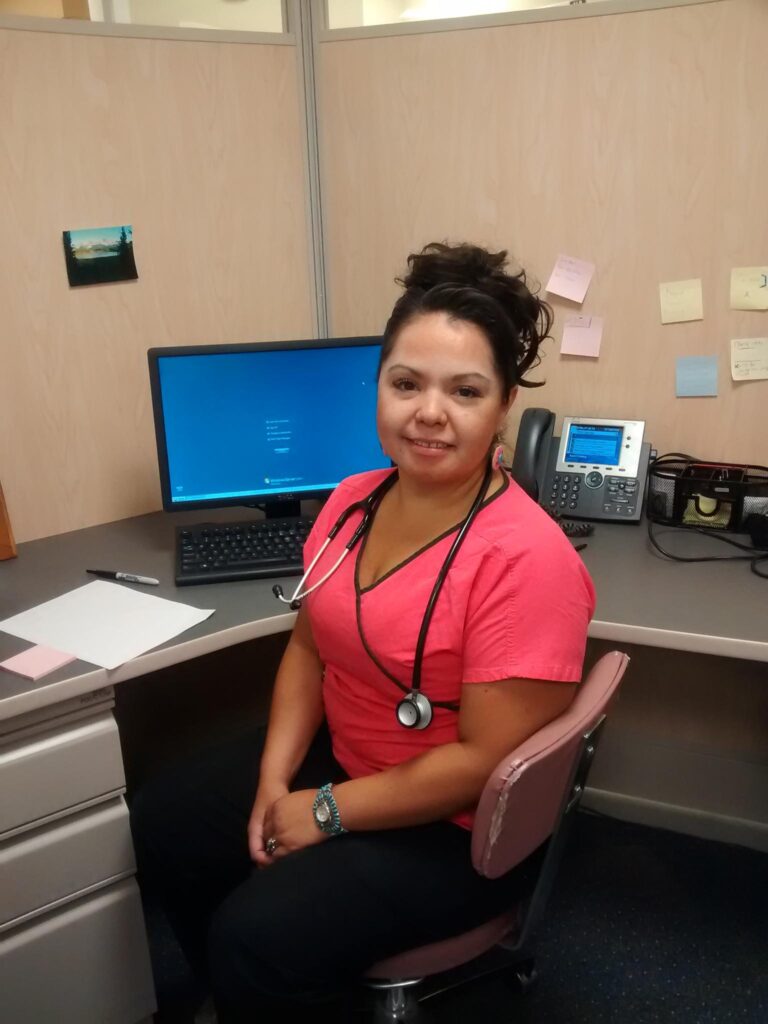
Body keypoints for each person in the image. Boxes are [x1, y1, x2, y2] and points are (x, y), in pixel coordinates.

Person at [130, 242, 595, 1022]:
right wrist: (276, 781)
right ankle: (258, 991)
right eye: (405, 383)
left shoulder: (527, 559)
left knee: (257, 935)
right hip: (349, 757)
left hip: (455, 828)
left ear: (506, 403)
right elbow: (310, 648)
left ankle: (264, 973)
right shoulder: (351, 502)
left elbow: (482, 762)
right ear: (377, 387)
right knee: (164, 820)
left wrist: (324, 811)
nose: (429, 413)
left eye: (465, 390)